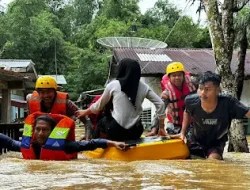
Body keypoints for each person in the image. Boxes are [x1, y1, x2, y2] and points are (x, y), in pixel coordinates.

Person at [76, 58, 166, 141]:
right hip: (136, 132)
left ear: (121, 70)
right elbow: (161, 104)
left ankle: (95, 143)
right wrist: (161, 128)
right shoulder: (144, 87)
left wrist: (85, 112)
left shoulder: (113, 85)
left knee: (102, 122)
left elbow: (98, 106)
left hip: (116, 132)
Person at [173, 71, 250, 160]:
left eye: (207, 89)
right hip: (195, 139)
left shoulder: (228, 103)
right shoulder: (191, 101)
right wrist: (182, 132)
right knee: (194, 162)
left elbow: (247, 112)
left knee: (213, 161)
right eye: (200, 88)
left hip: (216, 141)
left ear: (218, 90)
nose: (202, 93)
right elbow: (187, 112)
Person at [0, 112, 126, 160]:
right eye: (37, 129)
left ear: (53, 132)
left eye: (45, 130)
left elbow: (90, 144)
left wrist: (113, 143)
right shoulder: (28, 145)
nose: (40, 133)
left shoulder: (64, 146)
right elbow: (10, 143)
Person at [26, 75, 90, 140]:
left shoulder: (66, 103)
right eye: (42, 92)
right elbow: (29, 122)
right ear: (38, 93)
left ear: (55, 91)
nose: (46, 95)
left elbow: (87, 120)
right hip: (40, 139)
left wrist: (87, 137)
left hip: (61, 140)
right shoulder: (30, 99)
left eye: (49, 92)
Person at [146, 62, 196, 137]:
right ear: (169, 78)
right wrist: (154, 129)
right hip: (174, 125)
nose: (177, 78)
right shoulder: (167, 93)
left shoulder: (193, 84)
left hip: (192, 123)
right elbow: (160, 109)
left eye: (179, 75)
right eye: (174, 76)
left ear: (183, 75)